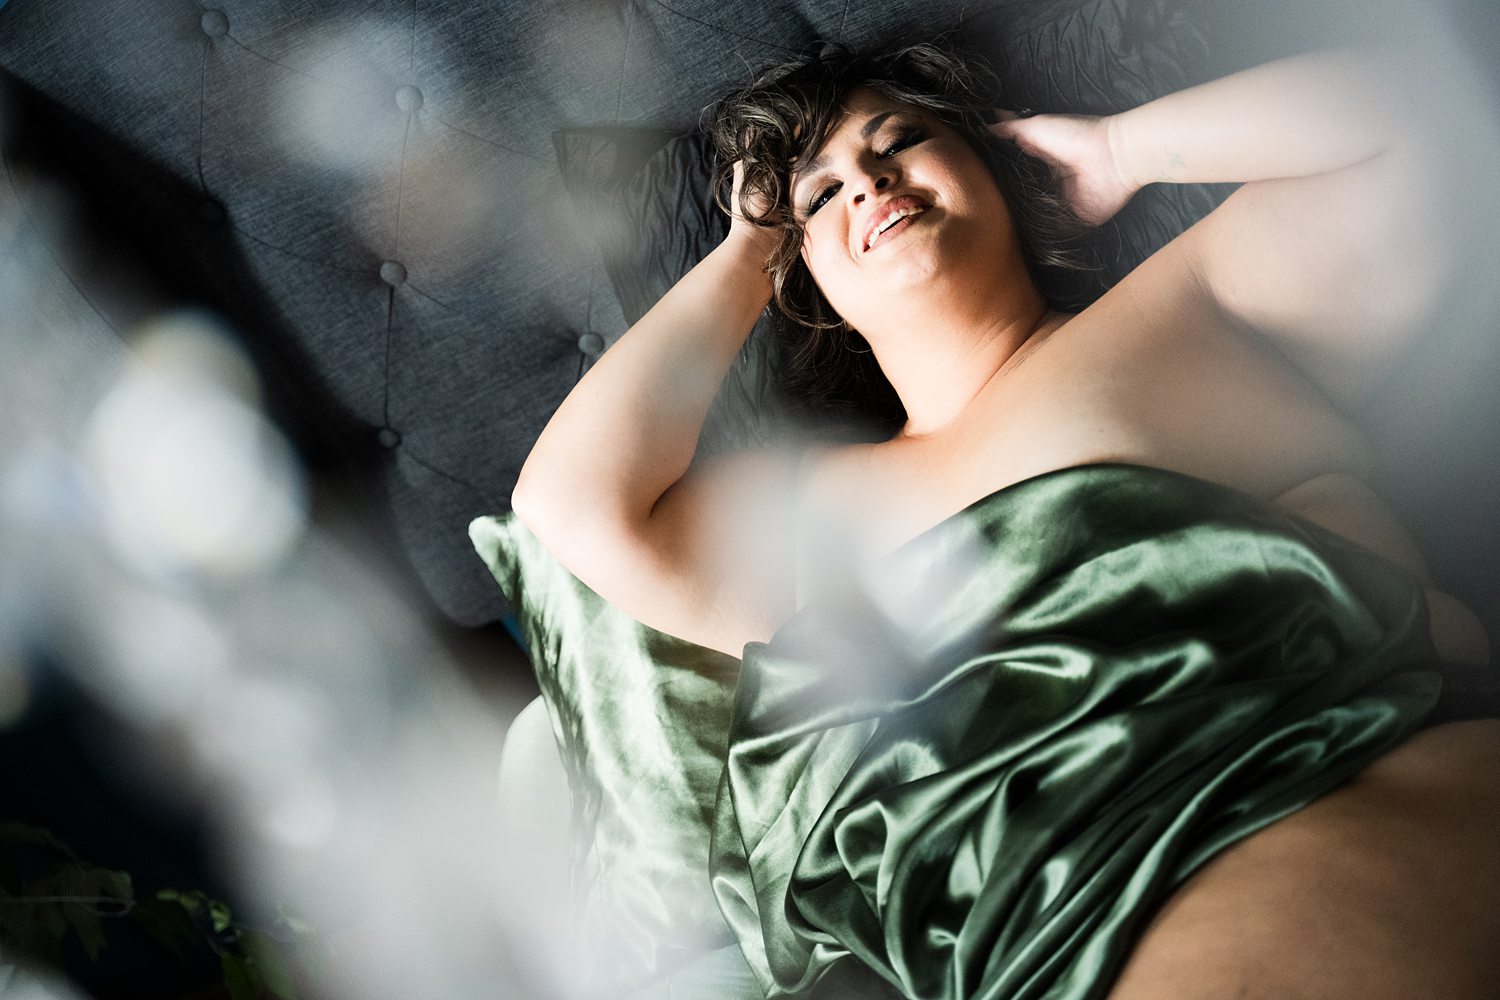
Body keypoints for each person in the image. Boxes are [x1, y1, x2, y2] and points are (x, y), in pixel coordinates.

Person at [513, 40, 1500, 1000]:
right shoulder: (809, 519)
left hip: (1310, 814)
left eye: (897, 140)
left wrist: (1120, 151)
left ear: (990, 161)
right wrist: (750, 248)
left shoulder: (1186, 303)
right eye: (821, 191)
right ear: (803, 284)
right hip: (1023, 954)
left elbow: (1414, 115)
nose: (867, 180)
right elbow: (571, 504)